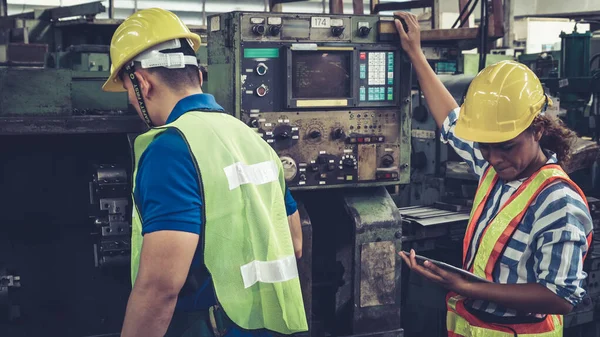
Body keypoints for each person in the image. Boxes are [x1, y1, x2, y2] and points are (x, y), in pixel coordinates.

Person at [101, 8, 308, 337]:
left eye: (127, 90)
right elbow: (295, 241)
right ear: (198, 76)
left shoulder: (170, 148)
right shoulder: (250, 138)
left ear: (142, 82)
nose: (131, 100)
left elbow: (160, 288)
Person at [394, 11, 594, 337]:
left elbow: (561, 295)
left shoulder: (558, 201)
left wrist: (467, 286)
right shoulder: (493, 169)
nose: (495, 158)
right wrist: (416, 53)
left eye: (506, 147)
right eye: (485, 147)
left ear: (538, 130)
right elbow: (450, 120)